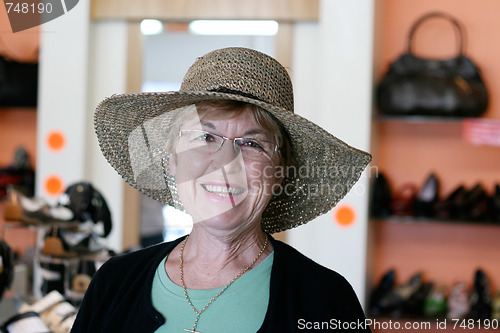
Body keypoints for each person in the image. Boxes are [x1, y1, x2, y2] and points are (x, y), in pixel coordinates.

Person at [71, 47, 372, 332]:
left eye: (252, 143)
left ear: (280, 171)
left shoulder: (326, 301)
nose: (226, 164)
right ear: (173, 160)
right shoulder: (113, 282)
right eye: (206, 137)